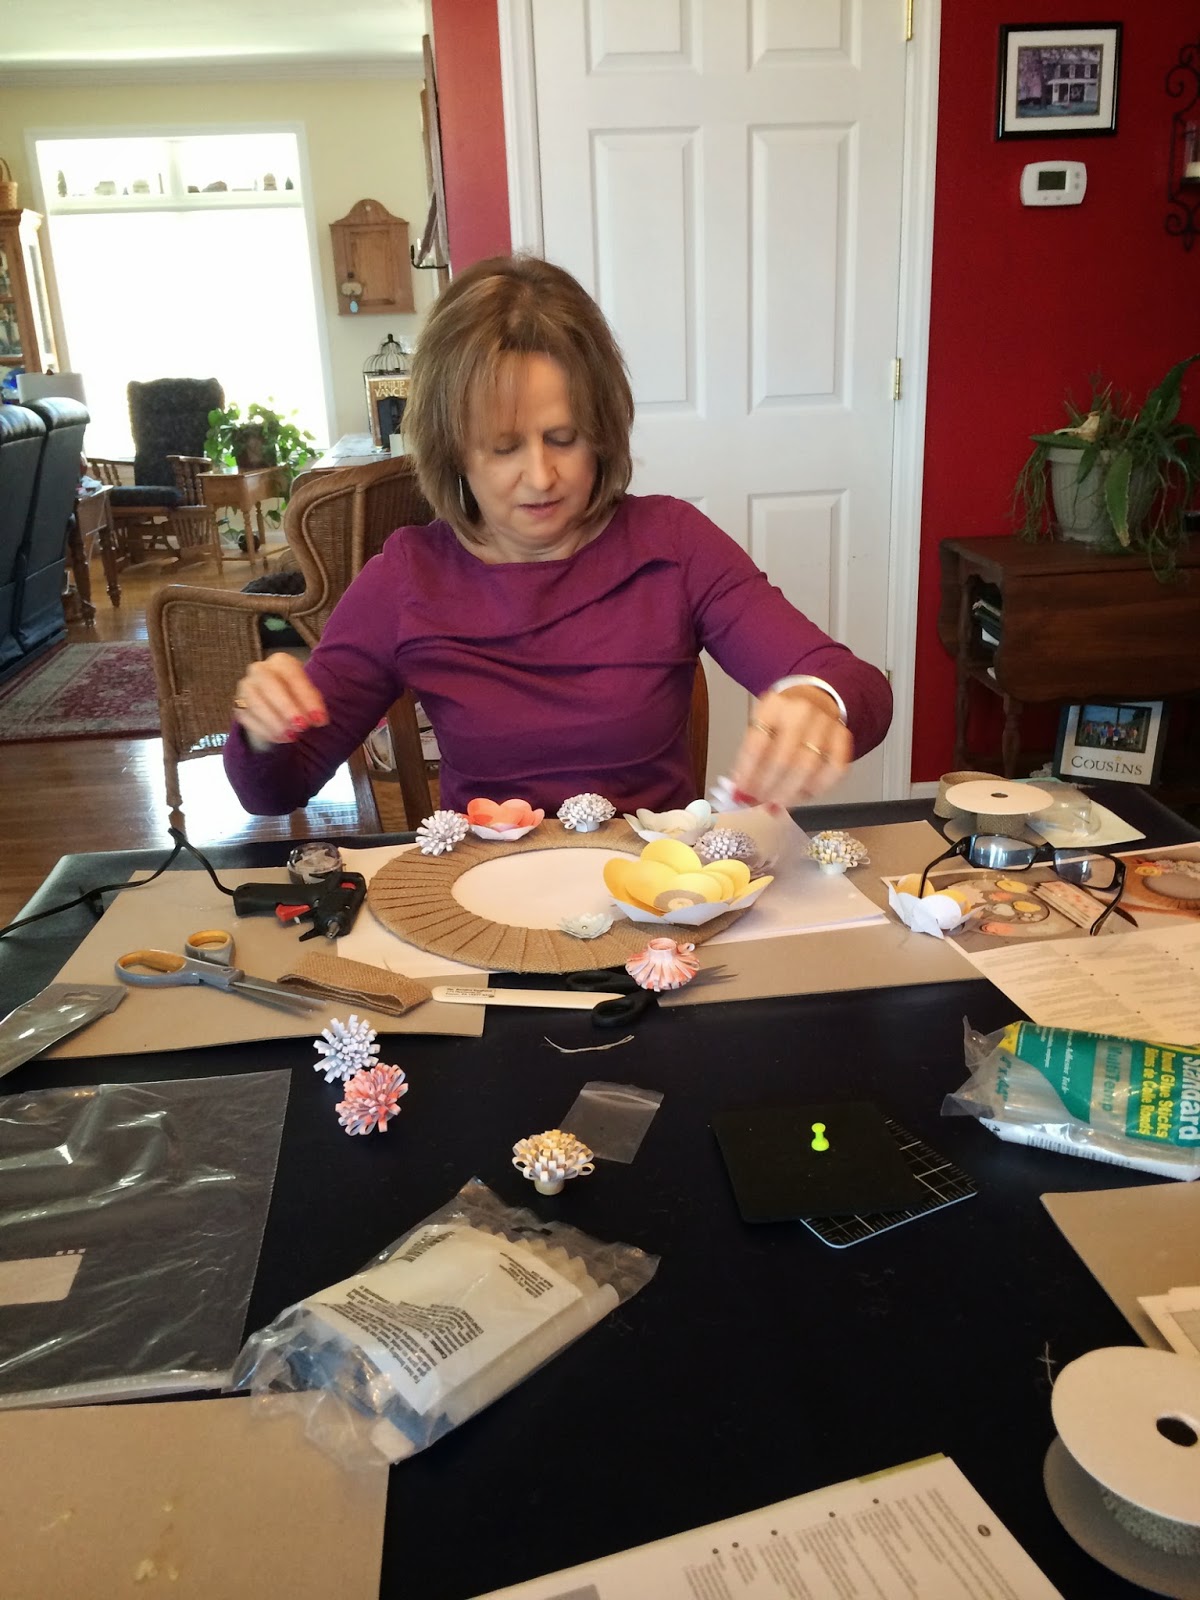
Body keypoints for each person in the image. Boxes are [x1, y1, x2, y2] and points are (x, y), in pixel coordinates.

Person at [224, 255, 892, 818]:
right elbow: (273, 793)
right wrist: (263, 726)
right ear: (453, 450)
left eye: (564, 438)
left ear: (601, 430)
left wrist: (817, 701)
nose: (541, 476)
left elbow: (859, 687)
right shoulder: (407, 579)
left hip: (654, 900)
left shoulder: (673, 544)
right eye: (503, 447)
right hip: (479, 907)